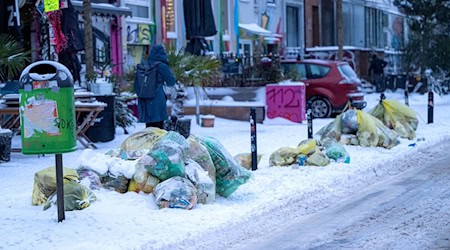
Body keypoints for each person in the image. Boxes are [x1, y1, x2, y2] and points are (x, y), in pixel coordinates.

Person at [137, 45, 176, 129]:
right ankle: (157, 141)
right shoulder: (161, 66)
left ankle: (149, 141)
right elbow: (171, 82)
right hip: (157, 98)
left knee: (149, 127)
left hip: (145, 99)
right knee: (158, 127)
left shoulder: (146, 65)